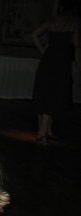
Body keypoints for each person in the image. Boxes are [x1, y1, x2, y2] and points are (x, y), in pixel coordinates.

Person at [32, 0, 81, 145]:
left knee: (44, 94)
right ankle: (42, 134)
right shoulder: (75, 22)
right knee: (53, 97)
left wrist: (43, 51)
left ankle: (45, 130)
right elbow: (77, 46)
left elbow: (34, 35)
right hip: (61, 63)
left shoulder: (52, 21)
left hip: (47, 61)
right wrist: (79, 67)